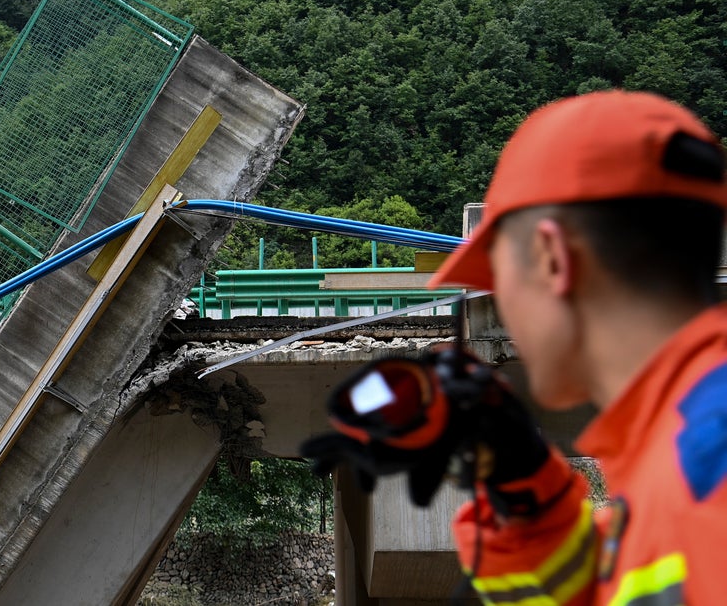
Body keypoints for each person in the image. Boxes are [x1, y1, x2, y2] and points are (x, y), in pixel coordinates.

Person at [303, 90, 727, 605]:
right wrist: (524, 487)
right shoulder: (676, 452)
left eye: (498, 280)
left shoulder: (706, 457)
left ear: (552, 259)